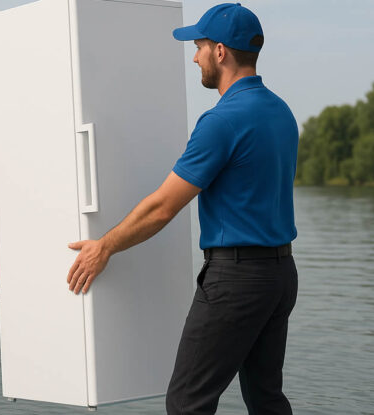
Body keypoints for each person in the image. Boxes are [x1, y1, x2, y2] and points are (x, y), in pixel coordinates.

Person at [66, 3, 298, 414]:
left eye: (200, 46)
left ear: (221, 52)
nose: (195, 56)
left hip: (236, 280)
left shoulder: (222, 120)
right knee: (266, 398)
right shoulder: (280, 112)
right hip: (279, 275)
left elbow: (161, 207)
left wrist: (103, 247)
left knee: (188, 401)